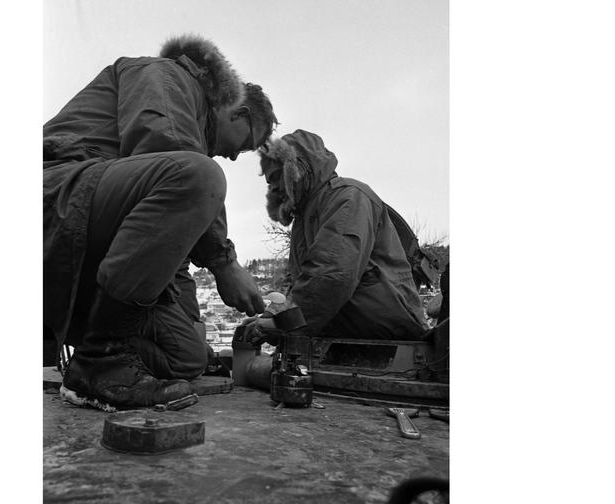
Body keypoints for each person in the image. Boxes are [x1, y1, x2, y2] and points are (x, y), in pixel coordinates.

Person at [43, 34, 278, 408]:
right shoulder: (166, 76)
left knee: (187, 356)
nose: (235, 156)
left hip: (87, 221)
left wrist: (191, 322)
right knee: (200, 177)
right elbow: (165, 145)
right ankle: (99, 363)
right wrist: (224, 264)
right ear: (236, 111)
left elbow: (163, 245)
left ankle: (97, 349)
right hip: (57, 199)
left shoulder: (180, 155)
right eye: (246, 143)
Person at [250, 129, 429, 342]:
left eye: (276, 177)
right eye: (269, 182)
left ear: (297, 167)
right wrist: (273, 317)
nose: (273, 188)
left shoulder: (348, 198)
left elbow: (330, 275)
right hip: (351, 341)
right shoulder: (305, 216)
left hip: (392, 342)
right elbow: (304, 283)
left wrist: (285, 324)